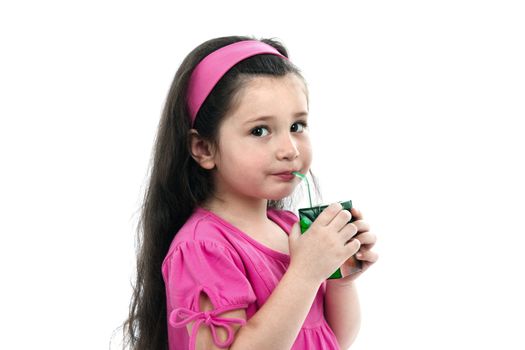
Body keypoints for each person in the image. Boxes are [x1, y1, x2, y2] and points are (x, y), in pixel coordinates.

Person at [123, 36, 378, 350]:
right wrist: (306, 272)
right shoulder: (202, 248)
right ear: (204, 148)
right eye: (260, 131)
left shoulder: (290, 229)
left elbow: (334, 339)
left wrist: (339, 279)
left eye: (297, 126)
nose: (289, 150)